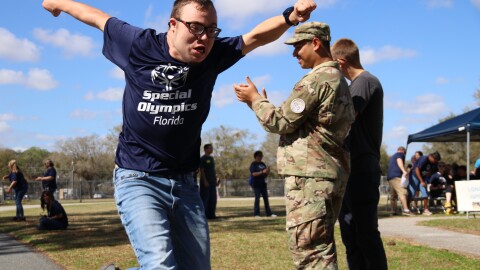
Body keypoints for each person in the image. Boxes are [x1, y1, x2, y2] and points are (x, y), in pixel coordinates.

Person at [42, 0, 317, 269]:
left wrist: (291, 16)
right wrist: (60, 3)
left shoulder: (213, 55)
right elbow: (97, 17)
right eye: (196, 27)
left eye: (211, 29)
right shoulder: (139, 44)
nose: (204, 37)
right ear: (173, 25)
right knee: (161, 264)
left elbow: (255, 37)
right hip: (138, 177)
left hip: (185, 182)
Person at [234, 22, 355, 269]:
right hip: (325, 174)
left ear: (316, 43)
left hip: (310, 178)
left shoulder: (317, 80)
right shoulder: (338, 79)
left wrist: (255, 99)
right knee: (319, 248)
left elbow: (281, 121)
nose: (294, 53)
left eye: (298, 46)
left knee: (311, 253)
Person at [331, 38, 388, 270]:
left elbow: (346, 116)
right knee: (351, 235)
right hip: (350, 169)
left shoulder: (364, 82)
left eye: (333, 65)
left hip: (362, 169)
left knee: (365, 234)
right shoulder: (359, 83)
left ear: (341, 62)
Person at [410, 151, 441, 216]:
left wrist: (427, 179)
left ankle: (425, 210)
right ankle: (407, 209)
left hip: (423, 178)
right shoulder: (424, 159)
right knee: (412, 192)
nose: (435, 161)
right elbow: (417, 169)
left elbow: (432, 171)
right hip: (415, 176)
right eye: (435, 160)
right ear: (431, 157)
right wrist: (421, 181)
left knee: (425, 193)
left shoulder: (434, 163)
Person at [386, 146, 412, 216]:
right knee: (403, 192)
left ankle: (393, 211)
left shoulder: (392, 156)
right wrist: (404, 171)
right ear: (403, 151)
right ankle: (406, 210)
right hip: (396, 177)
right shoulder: (400, 154)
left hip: (390, 177)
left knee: (393, 195)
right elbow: (399, 161)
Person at [249, 150, 276, 217]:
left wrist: (267, 171)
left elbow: (265, 174)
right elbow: (254, 174)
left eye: (261, 156)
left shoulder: (263, 164)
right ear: (256, 156)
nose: (261, 157)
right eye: (259, 156)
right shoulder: (253, 164)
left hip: (263, 184)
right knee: (257, 199)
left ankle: (269, 213)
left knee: (266, 199)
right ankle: (256, 214)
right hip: (256, 184)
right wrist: (262, 172)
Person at [199, 143, 217, 219]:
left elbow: (213, 170)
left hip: (213, 182)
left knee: (213, 198)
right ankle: (205, 215)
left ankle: (212, 215)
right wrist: (205, 181)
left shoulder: (211, 158)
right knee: (205, 198)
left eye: (212, 148)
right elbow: (201, 171)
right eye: (210, 148)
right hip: (205, 182)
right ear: (205, 149)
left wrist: (216, 179)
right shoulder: (203, 159)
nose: (211, 149)